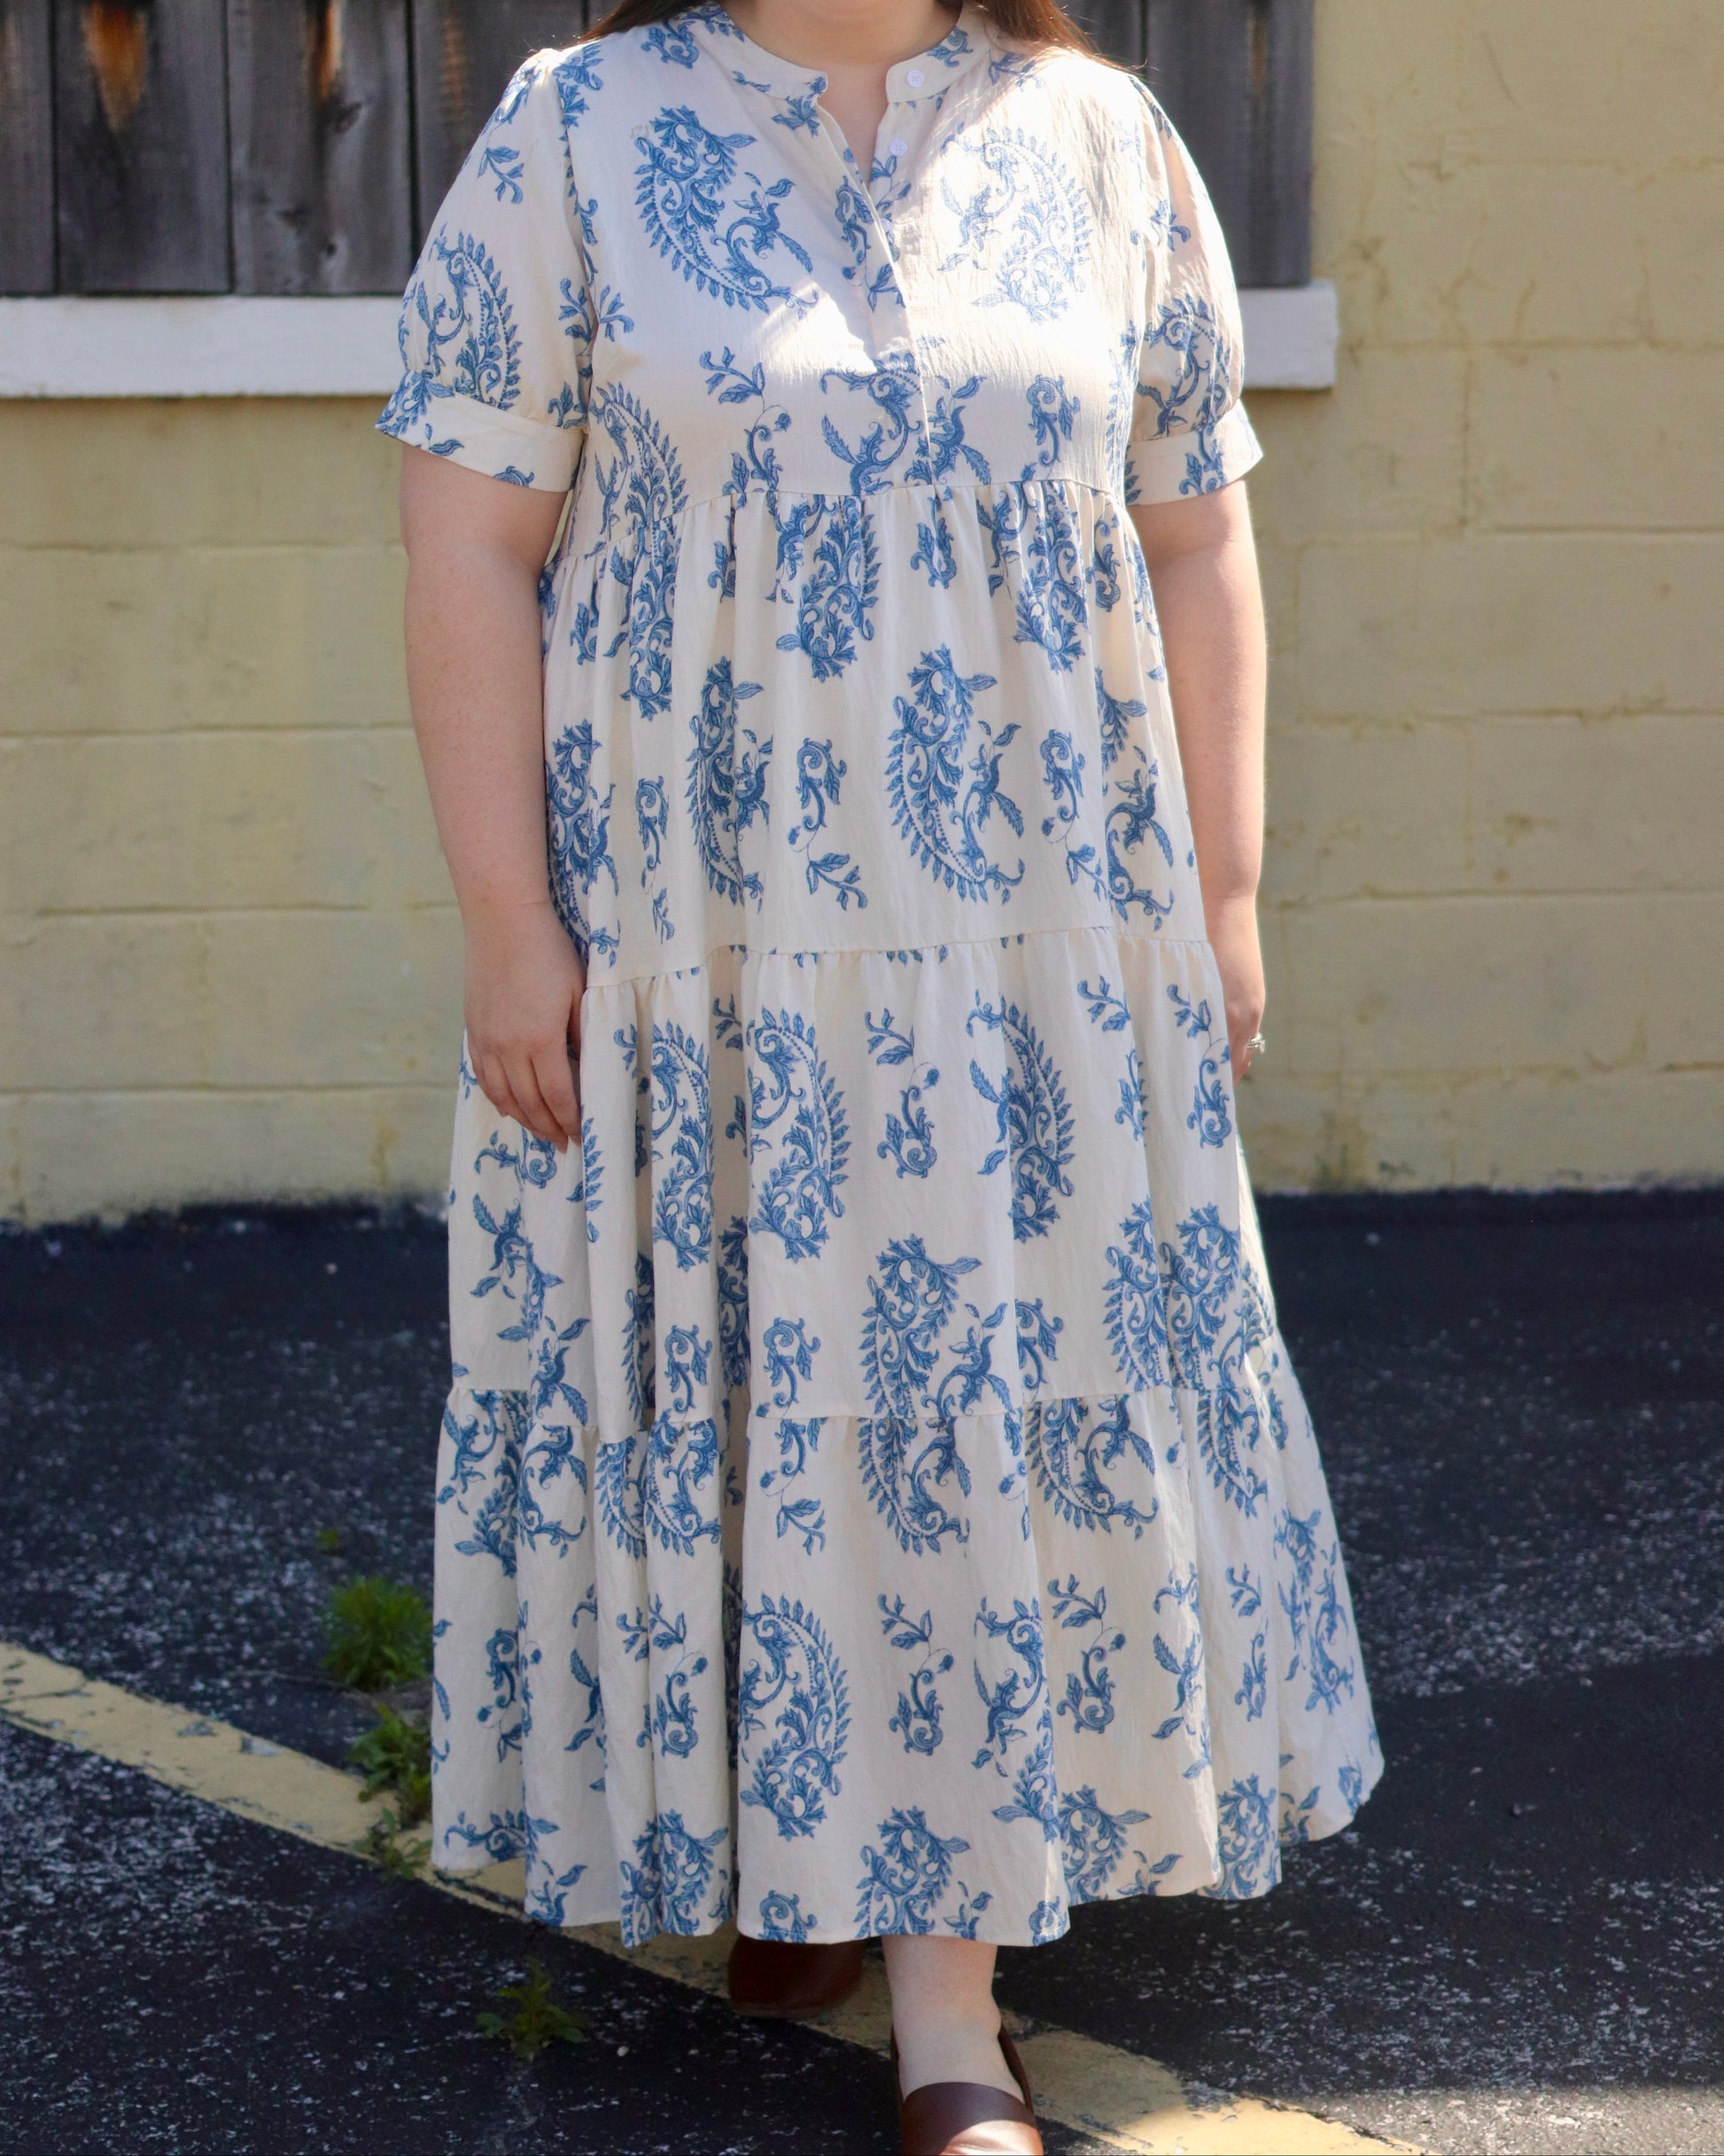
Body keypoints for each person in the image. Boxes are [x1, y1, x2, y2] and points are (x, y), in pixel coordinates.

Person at [384, 0, 1380, 2144]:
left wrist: (1223, 890)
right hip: (699, 939)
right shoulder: (573, 134)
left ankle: (952, 2013)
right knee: (746, 1362)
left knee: (959, 1393)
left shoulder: (1104, 138)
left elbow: (1196, 530)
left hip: (1030, 947)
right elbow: (468, 536)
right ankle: (786, 1839)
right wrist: (505, 919)